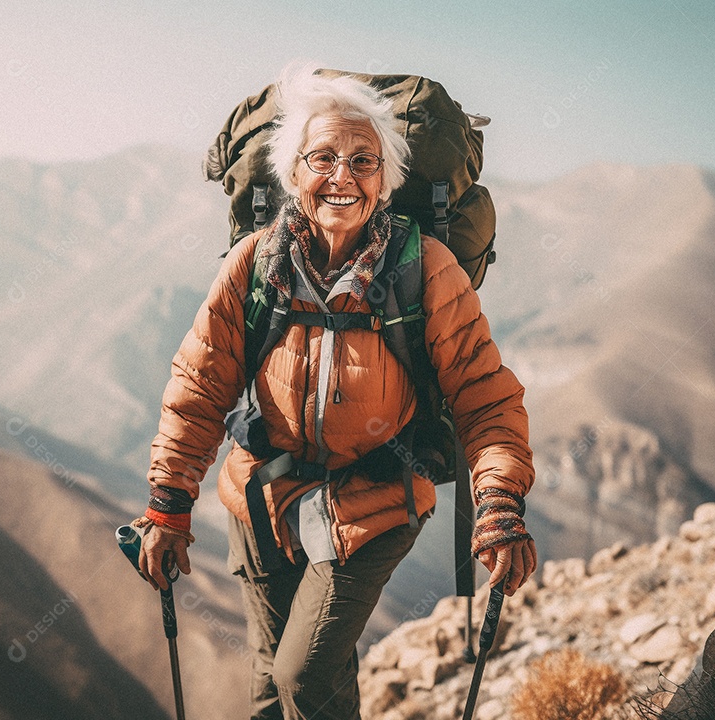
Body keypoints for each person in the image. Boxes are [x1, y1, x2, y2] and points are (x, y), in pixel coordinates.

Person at [133, 67, 536, 720]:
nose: (342, 176)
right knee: (271, 684)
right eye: (323, 157)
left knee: (301, 675)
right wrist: (168, 501)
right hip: (261, 500)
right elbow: (200, 383)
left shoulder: (424, 267)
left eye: (363, 160)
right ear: (293, 171)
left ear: (385, 179)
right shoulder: (256, 263)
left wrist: (499, 501)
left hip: (376, 500)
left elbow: (486, 397)